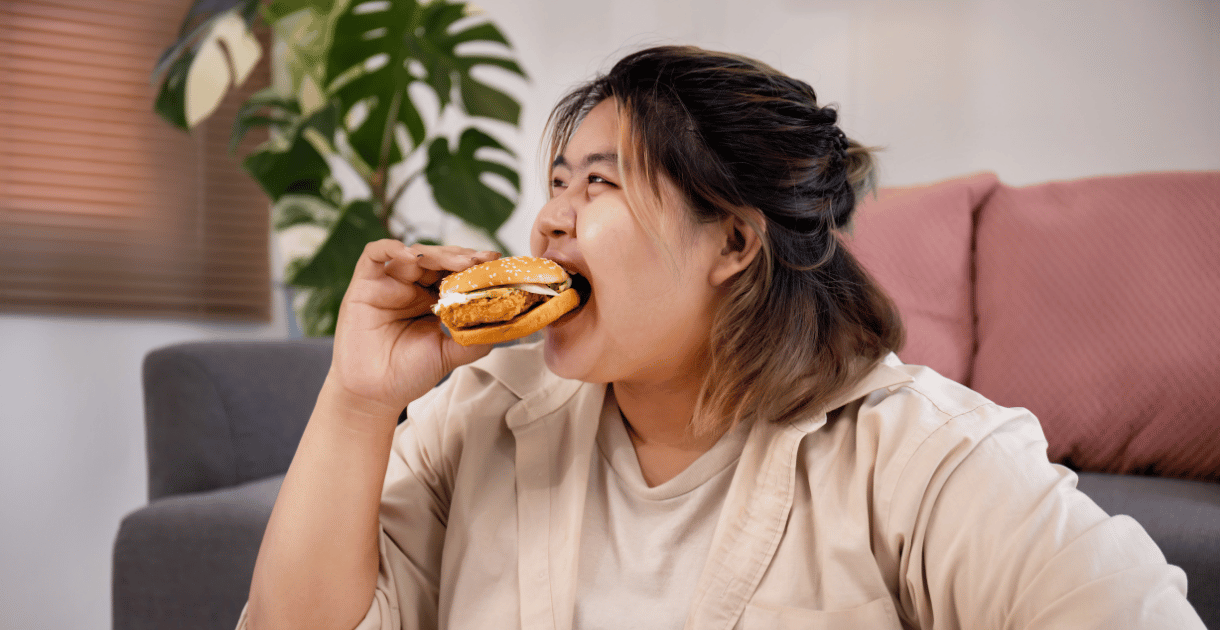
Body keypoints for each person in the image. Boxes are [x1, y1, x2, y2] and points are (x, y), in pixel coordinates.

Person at [237, 46, 1204, 630]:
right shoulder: (484, 412)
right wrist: (360, 398)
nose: (549, 223)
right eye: (557, 182)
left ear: (735, 240)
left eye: (599, 185)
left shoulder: (920, 455)